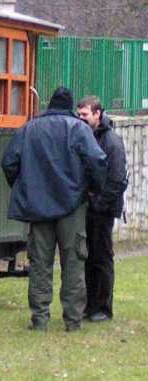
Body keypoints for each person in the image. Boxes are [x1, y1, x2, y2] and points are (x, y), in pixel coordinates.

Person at [1, 87, 107, 332]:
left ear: (49, 105)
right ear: (70, 107)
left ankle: (39, 319)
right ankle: (73, 320)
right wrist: (91, 190)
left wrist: (25, 188)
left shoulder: (30, 129)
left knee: (40, 263)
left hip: (38, 207)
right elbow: (98, 161)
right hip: (72, 206)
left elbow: (8, 162)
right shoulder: (78, 129)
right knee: (74, 262)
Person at [77, 96, 127, 322]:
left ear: (98, 114)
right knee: (88, 257)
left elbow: (116, 179)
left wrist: (99, 204)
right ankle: (90, 304)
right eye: (79, 114)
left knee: (102, 257)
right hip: (89, 207)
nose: (81, 118)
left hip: (103, 210)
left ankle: (103, 307)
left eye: (85, 114)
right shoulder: (86, 136)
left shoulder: (111, 142)